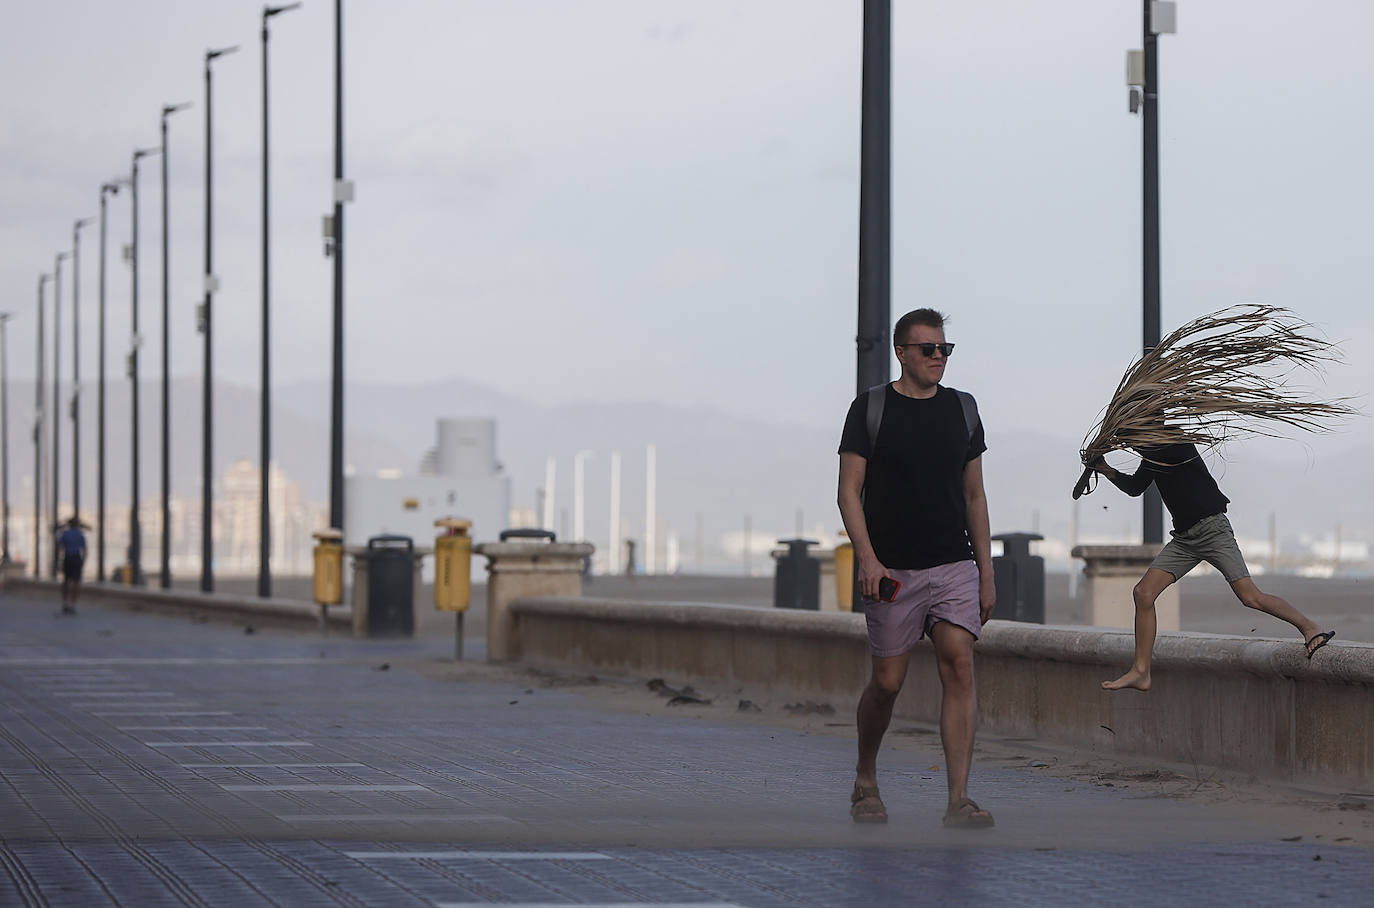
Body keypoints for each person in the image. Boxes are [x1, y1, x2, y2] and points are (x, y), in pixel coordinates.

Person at [837, 308, 996, 828]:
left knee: (958, 661)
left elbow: (975, 496)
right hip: (892, 571)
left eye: (944, 349)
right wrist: (868, 558)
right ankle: (865, 777)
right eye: (927, 349)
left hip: (953, 562)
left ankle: (959, 799)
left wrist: (986, 572)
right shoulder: (871, 408)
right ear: (901, 352)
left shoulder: (964, 411)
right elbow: (848, 491)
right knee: (887, 681)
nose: (937, 358)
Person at [1090, 444, 1335, 691]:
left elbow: (1157, 451)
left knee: (1251, 597)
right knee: (1143, 593)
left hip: (1213, 530)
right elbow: (1135, 487)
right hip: (1185, 539)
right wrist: (1104, 468)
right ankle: (1141, 672)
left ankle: (1310, 627)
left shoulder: (1176, 441)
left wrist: (1119, 440)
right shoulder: (1153, 454)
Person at [57, 517, 87, 615]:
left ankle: (65, 603)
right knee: (76, 583)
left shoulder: (65, 534)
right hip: (76, 558)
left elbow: (60, 548)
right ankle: (73, 604)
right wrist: (82, 562)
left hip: (68, 558)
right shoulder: (80, 534)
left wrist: (59, 562)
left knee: (66, 581)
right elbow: (85, 550)